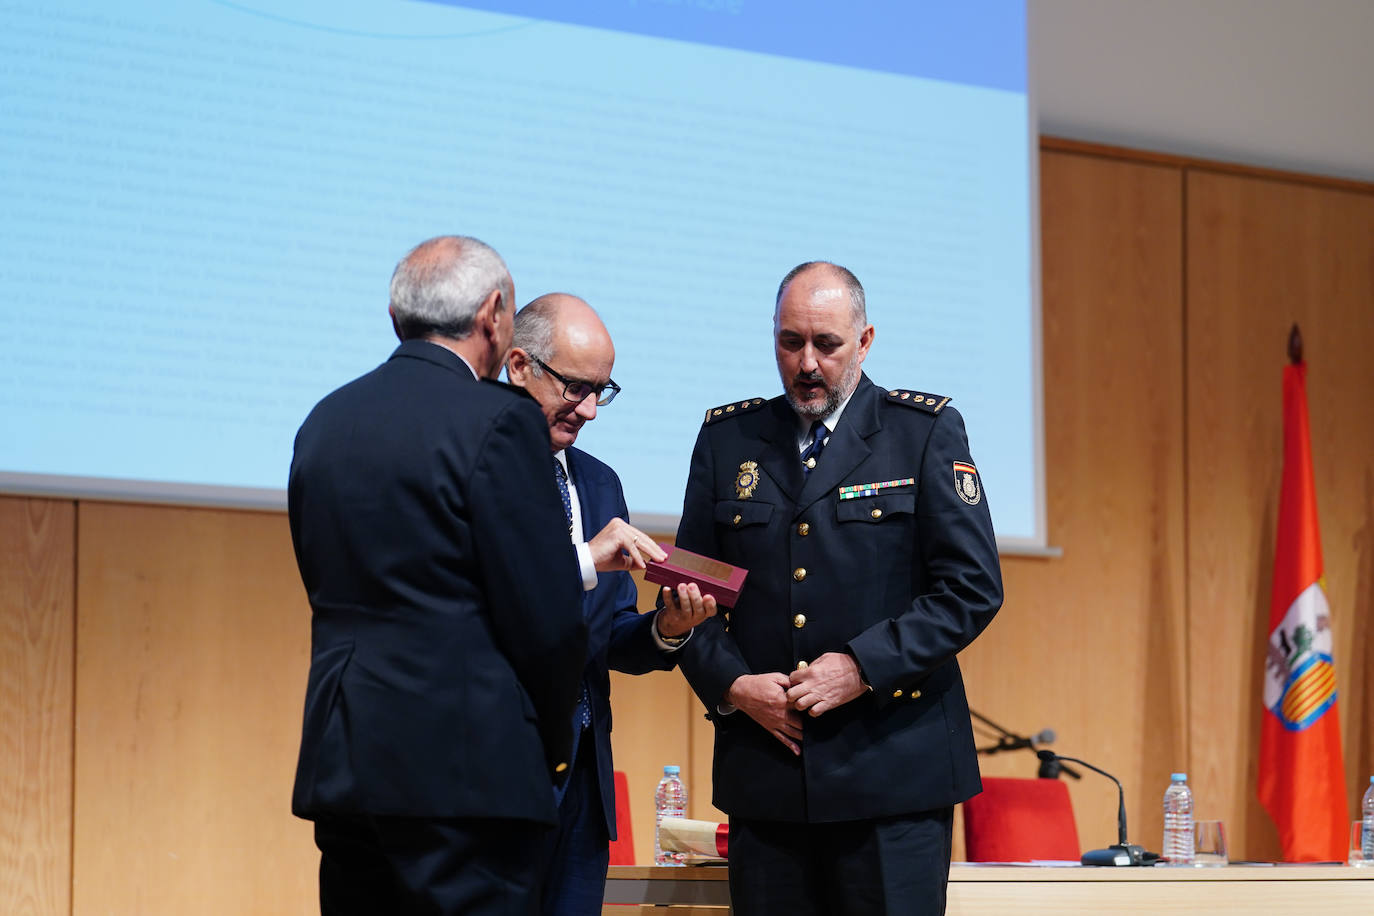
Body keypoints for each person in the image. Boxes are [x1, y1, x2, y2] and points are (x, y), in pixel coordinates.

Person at [288, 236, 658, 915]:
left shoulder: (326, 420)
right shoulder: (498, 422)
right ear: (494, 316)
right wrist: (543, 750)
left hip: (347, 767)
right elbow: (544, 620)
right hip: (469, 775)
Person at [673, 261, 1003, 915]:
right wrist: (733, 686)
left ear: (866, 340)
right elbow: (689, 592)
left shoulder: (922, 432)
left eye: (827, 344)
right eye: (790, 342)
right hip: (766, 776)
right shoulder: (727, 440)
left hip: (893, 776)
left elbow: (970, 588)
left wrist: (860, 666)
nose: (806, 364)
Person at [505, 293, 717, 916]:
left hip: (584, 789)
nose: (592, 410)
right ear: (519, 365)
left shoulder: (600, 482)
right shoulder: (471, 468)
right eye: (576, 387)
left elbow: (613, 634)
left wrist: (667, 629)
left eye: (604, 390)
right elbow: (481, 606)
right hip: (499, 779)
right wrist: (583, 561)